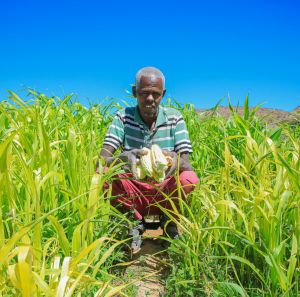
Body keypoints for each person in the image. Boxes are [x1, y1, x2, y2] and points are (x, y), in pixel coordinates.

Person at [97, 66, 199, 253]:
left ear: (163, 94)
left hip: (164, 192)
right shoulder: (123, 117)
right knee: (100, 175)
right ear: (135, 92)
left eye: (156, 94)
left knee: (189, 178)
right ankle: (132, 221)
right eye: (144, 93)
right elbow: (102, 161)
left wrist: (177, 161)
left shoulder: (175, 118)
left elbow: (187, 164)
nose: (150, 99)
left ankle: (169, 223)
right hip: (133, 190)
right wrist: (122, 158)